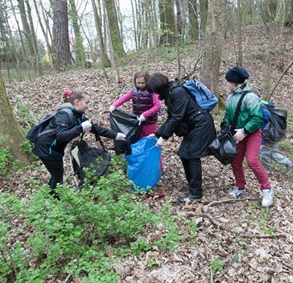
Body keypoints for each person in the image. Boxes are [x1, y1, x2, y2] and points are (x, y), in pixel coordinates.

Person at [33, 90, 126, 198]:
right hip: (46, 148)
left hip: (55, 148)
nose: (88, 106)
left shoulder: (78, 115)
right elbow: (61, 135)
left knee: (56, 174)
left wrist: (116, 135)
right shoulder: (64, 115)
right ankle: (54, 200)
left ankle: (51, 194)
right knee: (57, 175)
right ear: (77, 102)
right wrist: (80, 128)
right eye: (86, 102)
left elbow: (96, 128)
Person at [147, 73, 216, 203]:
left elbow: (177, 117)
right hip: (194, 126)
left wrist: (164, 137)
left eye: (154, 90)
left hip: (201, 124)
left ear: (158, 88)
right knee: (184, 154)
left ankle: (196, 192)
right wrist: (157, 134)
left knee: (193, 155)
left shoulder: (177, 92)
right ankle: (192, 185)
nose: (154, 93)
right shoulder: (170, 93)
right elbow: (171, 117)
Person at [223, 66, 275, 208]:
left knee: (252, 161)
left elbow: (257, 118)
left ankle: (267, 189)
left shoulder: (250, 97)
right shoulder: (231, 97)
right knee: (235, 161)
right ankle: (240, 187)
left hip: (251, 133)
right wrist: (225, 125)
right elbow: (228, 115)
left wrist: (245, 131)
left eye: (228, 82)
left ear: (235, 82)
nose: (227, 84)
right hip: (237, 134)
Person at [109, 71, 162, 138]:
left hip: (150, 122)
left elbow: (158, 106)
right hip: (137, 121)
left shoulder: (152, 92)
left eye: (143, 83)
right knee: (138, 140)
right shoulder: (133, 91)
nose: (140, 85)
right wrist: (114, 105)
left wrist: (145, 115)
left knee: (150, 140)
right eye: (138, 83)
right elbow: (125, 97)